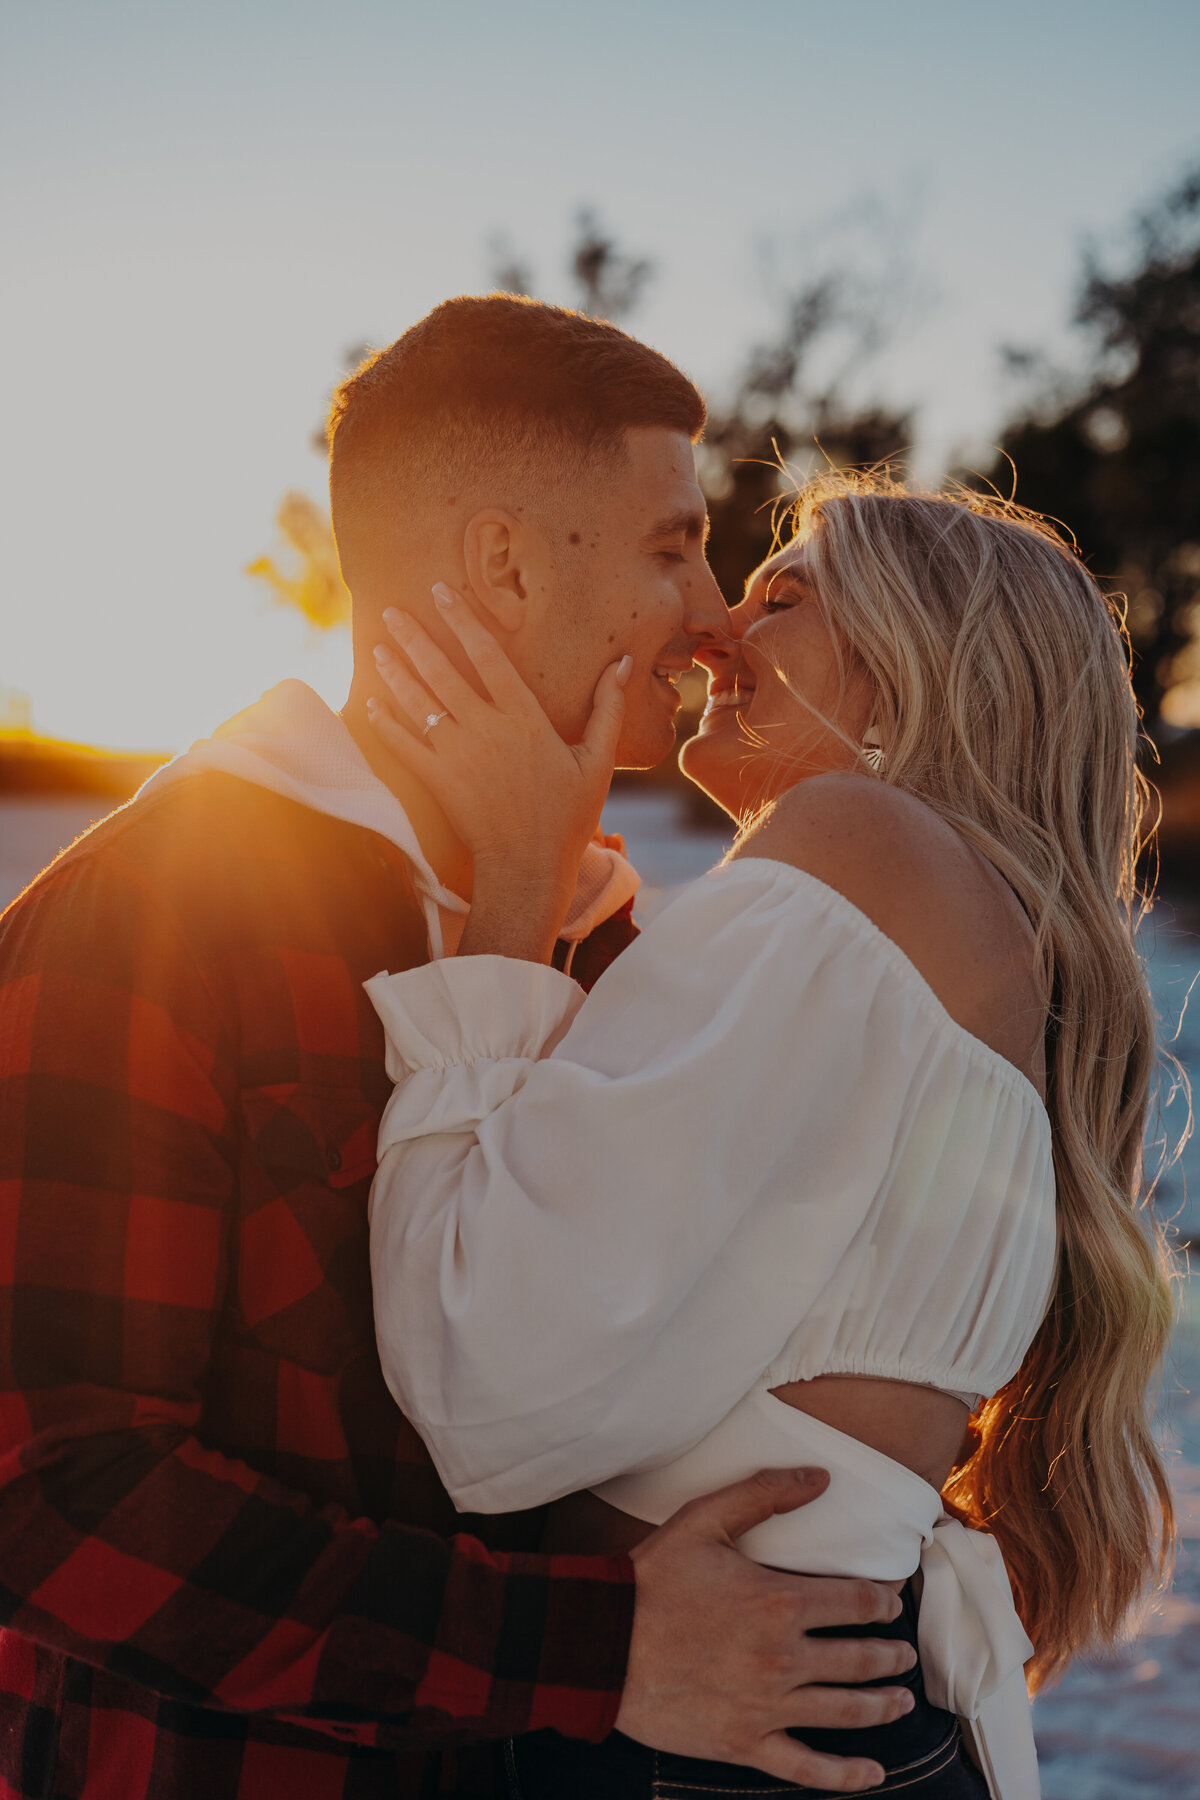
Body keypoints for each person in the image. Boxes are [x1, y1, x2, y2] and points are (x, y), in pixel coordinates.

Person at [0, 299, 921, 1800]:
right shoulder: (151, 916)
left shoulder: (620, 942)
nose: (710, 612)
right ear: (502, 564)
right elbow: (54, 1500)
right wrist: (596, 1651)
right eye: (670, 546)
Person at [362, 474, 1178, 1800]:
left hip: (716, 1744)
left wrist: (512, 890)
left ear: (910, 671)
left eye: (780, 599)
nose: (713, 635)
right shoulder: (960, 930)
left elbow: (480, 1386)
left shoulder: (858, 842)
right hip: (821, 1714)